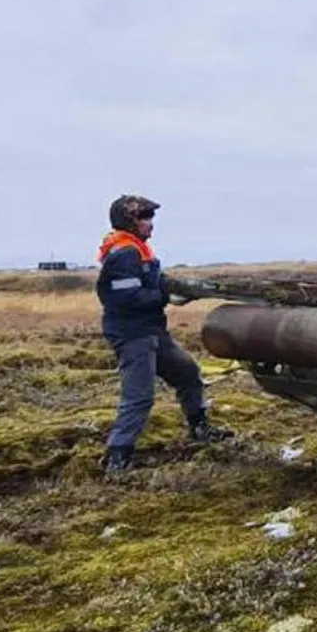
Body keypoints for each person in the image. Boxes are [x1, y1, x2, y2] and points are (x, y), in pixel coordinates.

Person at [96, 194, 232, 476]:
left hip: (151, 331)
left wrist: (183, 288)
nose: (151, 223)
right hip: (133, 335)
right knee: (139, 396)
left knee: (187, 373)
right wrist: (166, 296)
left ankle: (199, 427)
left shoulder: (139, 249)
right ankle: (117, 457)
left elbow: (149, 284)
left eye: (151, 216)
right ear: (129, 221)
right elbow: (127, 298)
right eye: (144, 217)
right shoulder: (125, 253)